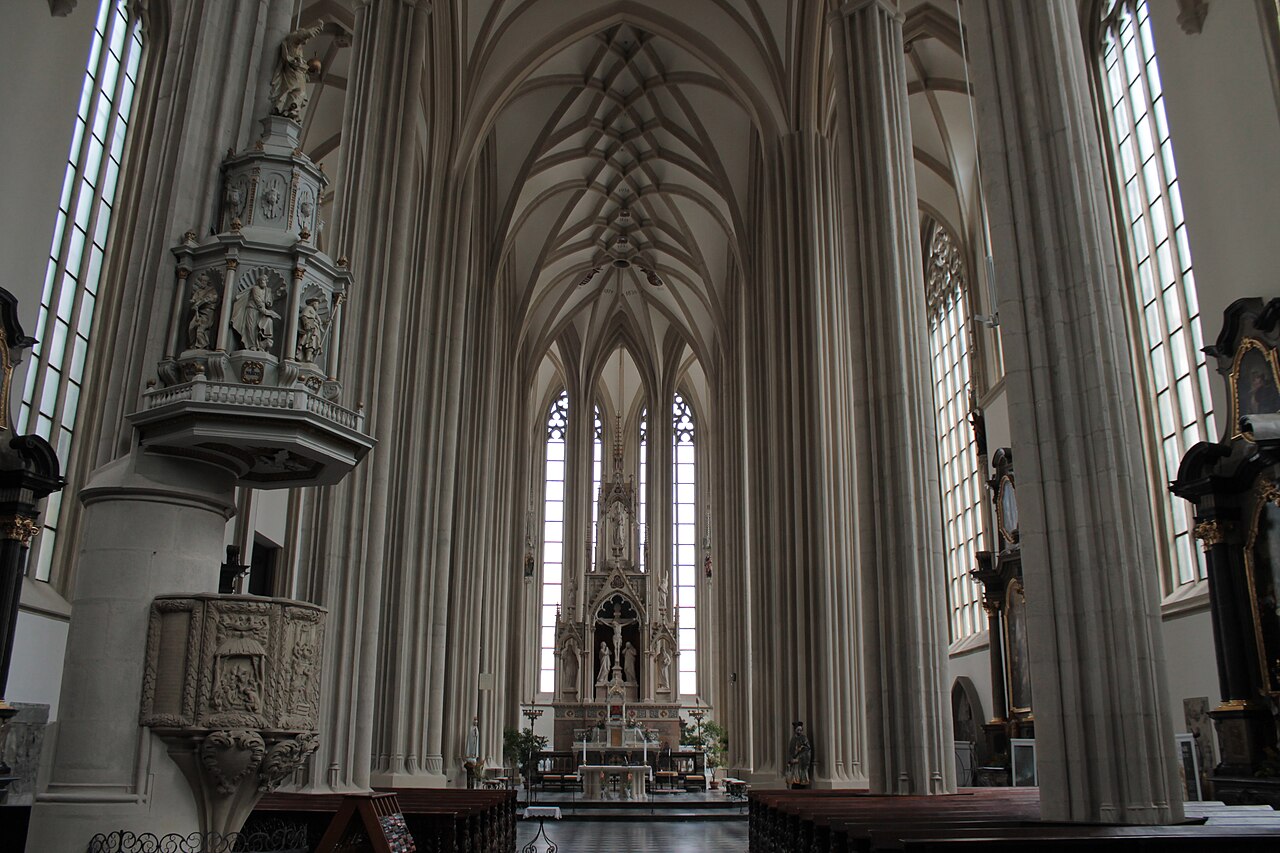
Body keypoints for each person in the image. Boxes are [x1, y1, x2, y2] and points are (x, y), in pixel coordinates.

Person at [271, 23, 325, 121]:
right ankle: (288, 109)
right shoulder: (293, 41)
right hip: (293, 72)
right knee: (298, 92)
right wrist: (310, 32)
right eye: (305, 38)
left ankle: (291, 110)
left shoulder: (299, 47)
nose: (306, 41)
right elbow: (299, 36)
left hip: (298, 72)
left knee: (301, 93)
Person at [231, 274, 280, 352]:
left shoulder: (268, 290)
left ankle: (259, 345)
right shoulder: (255, 288)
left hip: (262, 312)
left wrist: (269, 302)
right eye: (261, 280)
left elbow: (269, 302)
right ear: (258, 281)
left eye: (264, 280)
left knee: (260, 327)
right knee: (250, 326)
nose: (263, 282)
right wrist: (266, 311)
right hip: (252, 309)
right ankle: (251, 345)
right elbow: (257, 300)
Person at [187, 272, 218, 350]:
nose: (202, 283)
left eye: (204, 281)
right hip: (198, 312)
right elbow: (194, 299)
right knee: (191, 327)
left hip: (207, 313)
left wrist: (207, 300)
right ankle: (193, 345)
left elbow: (214, 298)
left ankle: (203, 346)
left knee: (200, 330)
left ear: (208, 282)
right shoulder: (198, 291)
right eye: (201, 281)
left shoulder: (211, 290)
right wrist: (193, 301)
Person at [296, 296, 325, 362]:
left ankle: (309, 357)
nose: (318, 306)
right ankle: (307, 358)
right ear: (313, 303)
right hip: (310, 329)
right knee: (309, 343)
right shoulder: (308, 308)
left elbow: (320, 322)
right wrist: (306, 324)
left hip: (315, 330)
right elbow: (304, 316)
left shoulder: (315, 313)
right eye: (317, 304)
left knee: (313, 344)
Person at [785, 721, 812, 788]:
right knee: (794, 779)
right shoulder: (793, 739)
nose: (799, 731)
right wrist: (791, 759)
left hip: (801, 763)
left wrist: (799, 759)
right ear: (795, 730)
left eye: (800, 730)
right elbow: (790, 751)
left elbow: (807, 750)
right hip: (794, 764)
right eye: (798, 730)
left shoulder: (804, 738)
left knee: (801, 779)